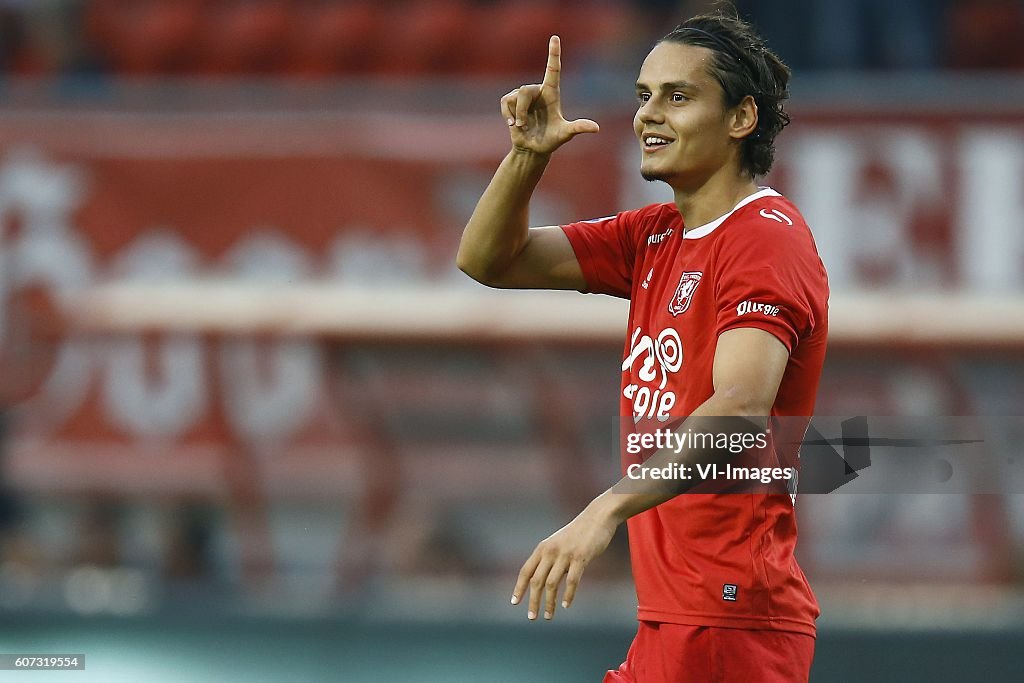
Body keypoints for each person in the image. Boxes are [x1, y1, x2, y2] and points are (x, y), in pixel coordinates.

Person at [457, 7, 827, 682]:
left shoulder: (764, 236)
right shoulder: (654, 235)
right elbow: (489, 259)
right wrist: (525, 157)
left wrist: (606, 507)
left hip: (730, 619)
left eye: (677, 97)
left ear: (742, 117)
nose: (649, 115)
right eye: (643, 96)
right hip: (678, 616)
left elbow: (741, 409)